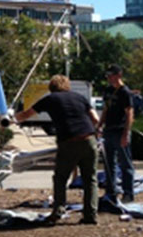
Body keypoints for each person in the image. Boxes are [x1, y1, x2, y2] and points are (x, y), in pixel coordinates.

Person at [14, 74, 101, 224]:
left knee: (61, 178)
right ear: (67, 86)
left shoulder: (50, 99)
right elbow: (95, 119)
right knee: (90, 180)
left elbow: (26, 115)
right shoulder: (80, 98)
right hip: (89, 139)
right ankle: (90, 215)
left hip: (69, 141)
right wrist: (97, 132)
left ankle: (58, 210)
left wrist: (8, 119)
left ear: (51, 87)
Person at [98, 64, 136, 203]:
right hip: (109, 130)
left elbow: (130, 113)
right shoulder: (107, 91)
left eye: (111, 75)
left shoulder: (125, 92)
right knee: (109, 164)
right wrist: (100, 125)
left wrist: (126, 133)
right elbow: (105, 110)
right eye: (108, 75)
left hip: (120, 130)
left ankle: (128, 193)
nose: (109, 78)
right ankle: (111, 192)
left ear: (118, 75)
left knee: (125, 163)